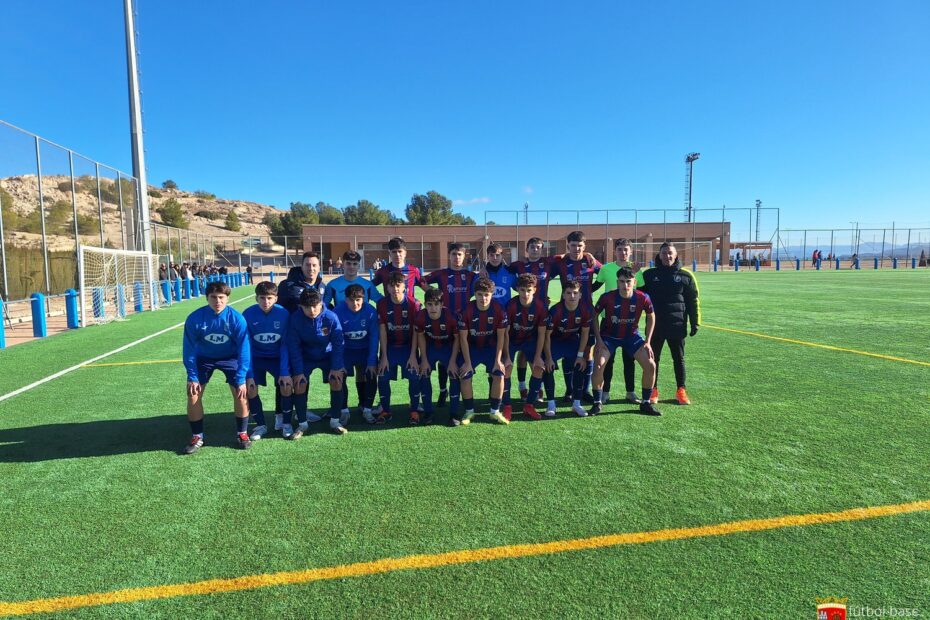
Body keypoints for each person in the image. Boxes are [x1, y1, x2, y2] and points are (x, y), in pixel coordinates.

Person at [181, 281, 252, 454]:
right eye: (213, 297)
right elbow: (188, 349)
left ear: (227, 298)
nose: (217, 301)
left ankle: (242, 433)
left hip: (230, 357)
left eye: (221, 297)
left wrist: (242, 377)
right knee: (193, 393)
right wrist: (192, 376)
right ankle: (197, 436)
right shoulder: (195, 318)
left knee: (241, 393)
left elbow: (244, 349)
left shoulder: (236, 319)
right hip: (204, 358)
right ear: (207, 298)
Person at [590, 267, 661, 416]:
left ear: (634, 282)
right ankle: (597, 403)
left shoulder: (643, 297)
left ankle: (646, 403)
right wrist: (599, 339)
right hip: (609, 337)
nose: (625, 285)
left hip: (632, 337)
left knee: (650, 365)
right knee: (598, 365)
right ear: (617, 282)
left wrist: (647, 341)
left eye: (628, 281)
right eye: (622, 281)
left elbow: (651, 316)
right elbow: (594, 316)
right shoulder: (607, 297)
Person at [641, 242, 700, 406]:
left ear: (676, 255)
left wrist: (695, 322)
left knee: (679, 359)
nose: (667, 256)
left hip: (677, 325)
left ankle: (681, 390)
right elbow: (638, 296)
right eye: (664, 253)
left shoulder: (686, 276)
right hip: (655, 326)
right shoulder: (649, 275)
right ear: (659, 256)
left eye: (670, 253)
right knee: (653, 359)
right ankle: (653, 389)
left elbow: (693, 301)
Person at [286, 288, 347, 438]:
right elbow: (294, 347)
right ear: (301, 306)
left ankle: (335, 421)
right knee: (299, 383)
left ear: (321, 303)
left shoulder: (331, 317)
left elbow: (338, 343)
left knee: (337, 380)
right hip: (306, 357)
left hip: (328, 355)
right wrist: (299, 371)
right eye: (307, 307)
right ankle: (302, 424)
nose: (312, 310)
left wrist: (336, 367)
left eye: (315, 306)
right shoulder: (295, 319)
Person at [549, 230, 601, 401]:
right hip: (566, 313)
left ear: (584, 246)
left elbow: (605, 272)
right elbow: (542, 273)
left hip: (588, 313)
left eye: (580, 246)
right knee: (567, 350)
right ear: (567, 246)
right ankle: (570, 390)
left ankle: (584, 390)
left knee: (588, 351)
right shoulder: (561, 263)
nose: (576, 249)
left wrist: (591, 290)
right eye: (573, 245)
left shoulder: (590, 260)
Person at [424, 243, 478, 407]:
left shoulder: (470, 275)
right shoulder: (441, 274)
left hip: (465, 323)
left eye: (460, 254)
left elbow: (485, 285)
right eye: (454, 254)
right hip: (445, 321)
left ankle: (464, 393)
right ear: (449, 255)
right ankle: (443, 391)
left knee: (464, 357)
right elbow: (421, 280)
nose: (456, 257)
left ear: (464, 256)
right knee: (444, 359)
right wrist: (432, 293)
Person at [595, 238, 645, 405]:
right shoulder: (606, 269)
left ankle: (630, 392)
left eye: (626, 249)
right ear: (614, 251)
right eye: (620, 249)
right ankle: (605, 392)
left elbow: (642, 293)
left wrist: (637, 272)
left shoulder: (636, 270)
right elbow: (595, 286)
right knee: (607, 359)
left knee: (629, 358)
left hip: (629, 321)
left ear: (630, 251)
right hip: (608, 321)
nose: (623, 252)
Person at [242, 281, 293, 440]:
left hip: (277, 357)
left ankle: (285, 423)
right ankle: (260, 425)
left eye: (270, 298)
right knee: (250, 387)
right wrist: (249, 373)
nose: (266, 302)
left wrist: (284, 372)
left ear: (276, 298)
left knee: (286, 385)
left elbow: (285, 344)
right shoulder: (248, 314)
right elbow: (246, 345)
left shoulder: (284, 314)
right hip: (256, 358)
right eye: (262, 298)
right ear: (256, 298)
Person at [506, 237, 556, 401]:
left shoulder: (548, 263)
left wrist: (588, 254)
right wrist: (484, 268)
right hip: (522, 312)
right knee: (521, 352)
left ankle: (538, 388)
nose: (535, 249)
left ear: (542, 249)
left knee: (536, 351)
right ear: (527, 249)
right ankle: (522, 386)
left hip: (541, 313)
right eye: (532, 247)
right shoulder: (518, 265)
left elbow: (566, 256)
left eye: (539, 247)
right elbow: (499, 266)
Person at [457, 277, 509, 425]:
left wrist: (498, 360)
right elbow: (463, 339)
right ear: (475, 294)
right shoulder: (466, 310)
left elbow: (501, 338)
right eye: (479, 294)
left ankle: (494, 412)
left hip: (490, 348)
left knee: (499, 374)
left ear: (492, 294)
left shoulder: (499, 309)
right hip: (472, 348)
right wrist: (467, 362)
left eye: (486, 294)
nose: (483, 298)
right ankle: (469, 412)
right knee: (465, 374)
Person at [375, 271, 422, 424]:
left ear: (404, 287)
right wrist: (383, 357)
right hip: (391, 348)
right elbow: (382, 330)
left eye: (398, 285)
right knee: (382, 376)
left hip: (408, 347)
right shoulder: (382, 304)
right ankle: (385, 410)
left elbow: (416, 331)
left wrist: (414, 355)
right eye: (392, 286)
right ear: (387, 288)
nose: (395, 289)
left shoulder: (413, 304)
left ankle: (414, 410)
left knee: (414, 376)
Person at [544, 280, 592, 418]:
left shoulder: (585, 310)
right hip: (555, 342)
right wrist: (548, 358)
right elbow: (547, 336)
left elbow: (584, 333)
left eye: (575, 293)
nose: (572, 296)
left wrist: (581, 355)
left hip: (572, 341)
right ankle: (551, 404)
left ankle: (576, 404)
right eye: (569, 293)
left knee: (580, 364)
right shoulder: (555, 310)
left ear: (580, 295)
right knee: (548, 367)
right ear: (563, 295)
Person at [333, 284, 380, 425]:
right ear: (345, 300)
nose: (355, 303)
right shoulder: (338, 312)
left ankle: (367, 409)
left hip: (364, 350)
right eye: (351, 300)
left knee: (371, 374)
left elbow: (374, 338)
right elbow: (337, 339)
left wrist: (372, 361)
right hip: (346, 351)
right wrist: (338, 362)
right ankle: (344, 411)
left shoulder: (371, 312)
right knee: (340, 376)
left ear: (364, 299)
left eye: (359, 299)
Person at [415, 287, 462, 425]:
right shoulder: (420, 317)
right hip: (431, 348)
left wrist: (453, 361)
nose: (433, 308)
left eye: (436, 304)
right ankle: (428, 412)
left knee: (454, 374)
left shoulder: (451, 317)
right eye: (429, 304)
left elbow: (457, 339)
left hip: (448, 348)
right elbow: (420, 337)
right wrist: (423, 359)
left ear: (442, 305)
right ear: (425, 305)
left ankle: (454, 413)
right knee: (423, 373)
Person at [503, 274, 547, 420]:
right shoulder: (511, 305)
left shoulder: (540, 307)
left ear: (534, 289)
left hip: (530, 340)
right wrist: (507, 357)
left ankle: (529, 405)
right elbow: (505, 333)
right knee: (506, 368)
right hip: (512, 340)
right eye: (522, 290)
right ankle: (507, 406)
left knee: (539, 367)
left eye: (529, 290)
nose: (525, 294)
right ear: (517, 289)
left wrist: (538, 357)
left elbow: (541, 334)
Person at [372, 237, 428, 303]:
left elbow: (426, 288)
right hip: (389, 310)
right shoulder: (383, 271)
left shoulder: (414, 270)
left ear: (405, 253)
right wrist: (380, 299)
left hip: (410, 310)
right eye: (394, 252)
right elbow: (369, 286)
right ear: (389, 253)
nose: (397, 254)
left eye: (400, 251)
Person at [482, 242, 515, 308]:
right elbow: (473, 293)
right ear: (487, 256)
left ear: (502, 256)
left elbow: (520, 289)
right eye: (491, 255)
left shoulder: (510, 272)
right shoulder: (482, 274)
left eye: (497, 255)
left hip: (505, 312)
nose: (495, 258)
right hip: (487, 313)